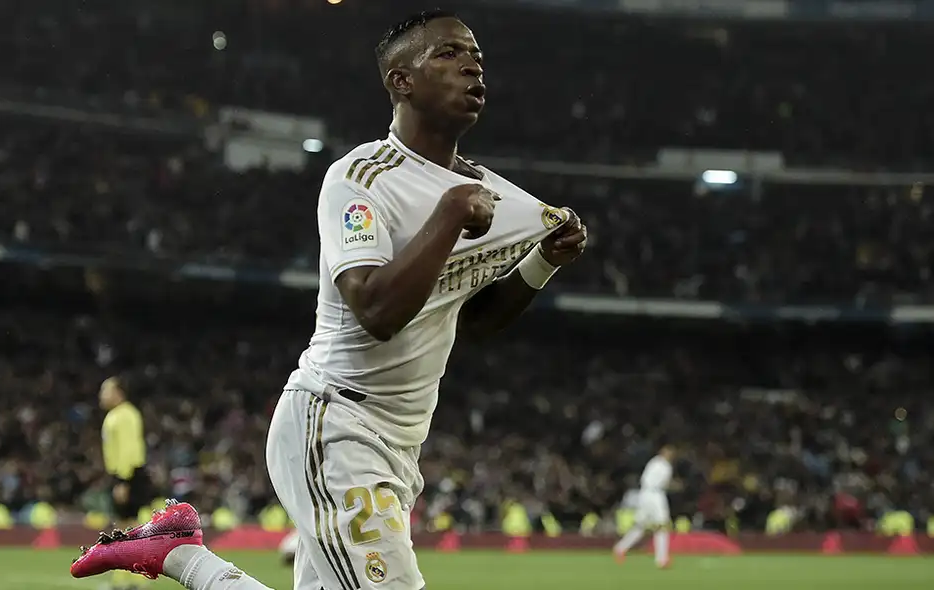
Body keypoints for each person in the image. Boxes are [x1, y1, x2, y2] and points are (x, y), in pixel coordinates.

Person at [70, 10, 587, 590]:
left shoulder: (485, 194)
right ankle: (178, 555)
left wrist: (544, 259)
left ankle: (180, 554)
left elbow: (471, 324)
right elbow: (375, 310)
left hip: (398, 444)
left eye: (477, 59)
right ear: (401, 81)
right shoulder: (360, 180)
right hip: (336, 422)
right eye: (447, 54)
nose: (472, 66)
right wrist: (448, 216)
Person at [99, 376, 151, 590]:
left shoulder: (126, 415)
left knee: (128, 528)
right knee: (124, 527)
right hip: (121, 475)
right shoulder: (117, 415)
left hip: (128, 475)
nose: (101, 395)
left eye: (106, 390)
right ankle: (126, 578)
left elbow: (129, 449)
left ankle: (133, 579)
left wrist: (123, 480)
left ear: (119, 392)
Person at [614, 445, 676, 568]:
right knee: (662, 526)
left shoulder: (653, 462)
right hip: (656, 495)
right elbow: (666, 484)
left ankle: (620, 548)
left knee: (640, 526)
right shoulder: (665, 466)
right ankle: (662, 559)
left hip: (643, 494)